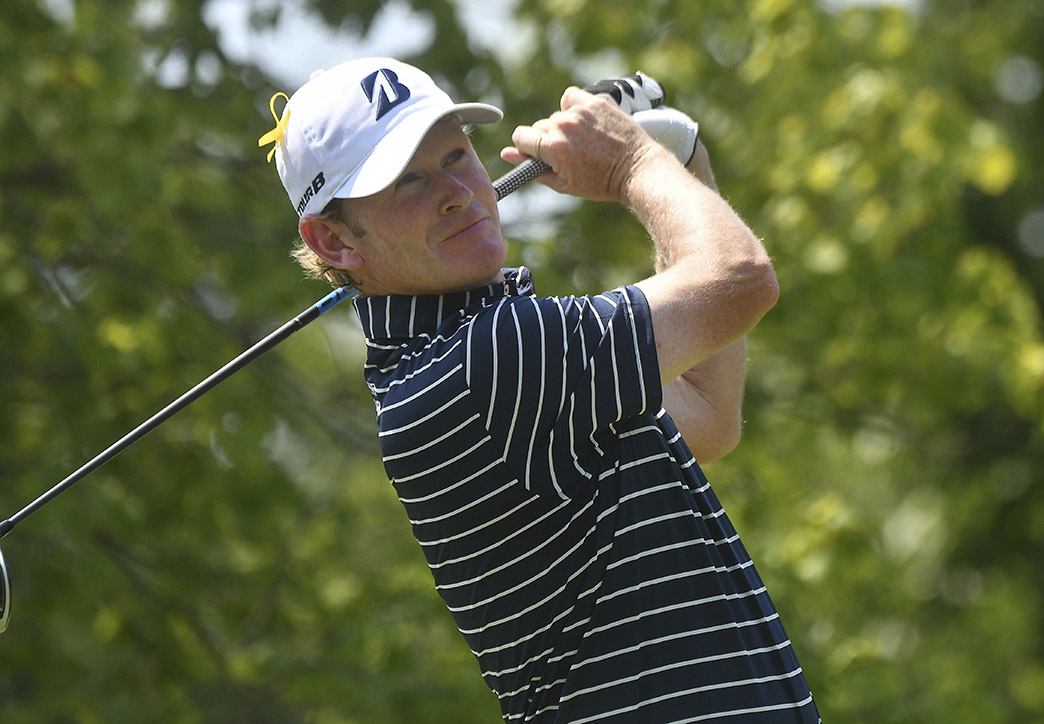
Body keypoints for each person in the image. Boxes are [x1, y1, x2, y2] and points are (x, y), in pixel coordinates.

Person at [260, 57, 821, 723]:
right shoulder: (490, 361)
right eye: (406, 181)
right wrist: (632, 164)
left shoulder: (454, 364)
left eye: (455, 156)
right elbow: (742, 278)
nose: (458, 192)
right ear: (333, 240)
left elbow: (707, 414)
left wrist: (683, 159)